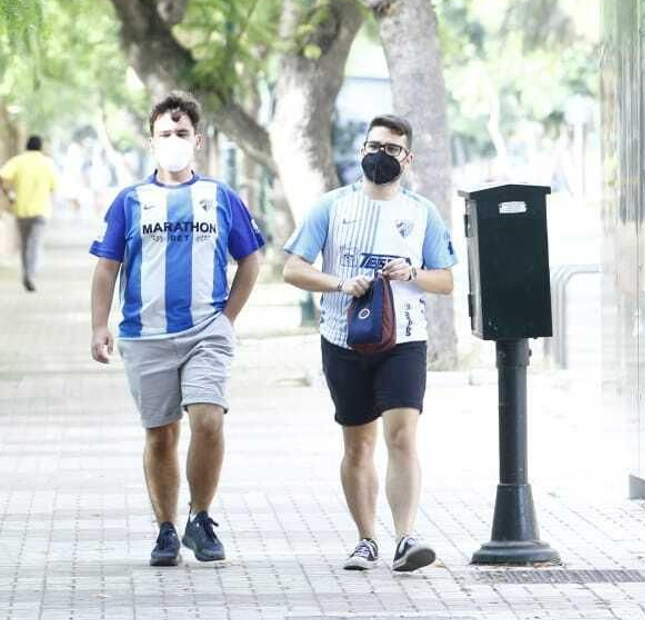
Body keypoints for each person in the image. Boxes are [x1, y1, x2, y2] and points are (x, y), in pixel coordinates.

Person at [88, 91, 264, 568]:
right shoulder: (130, 201)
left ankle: (200, 518)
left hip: (206, 331)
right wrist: (98, 326)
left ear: (198, 140)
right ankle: (166, 529)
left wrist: (227, 318)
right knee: (161, 434)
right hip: (145, 336)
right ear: (151, 142)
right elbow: (106, 268)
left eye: (181, 133)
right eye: (165, 134)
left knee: (208, 420)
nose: (173, 140)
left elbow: (251, 259)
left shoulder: (221, 197)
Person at [281, 114, 457, 572]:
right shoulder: (332, 207)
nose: (381, 154)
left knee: (402, 436)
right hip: (344, 338)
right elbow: (293, 268)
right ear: (362, 150)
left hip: (404, 338)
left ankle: (406, 538)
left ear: (408, 158)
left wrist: (413, 273)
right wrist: (340, 284)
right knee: (358, 444)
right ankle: (365, 538)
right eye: (374, 145)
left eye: (393, 149)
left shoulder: (422, 213)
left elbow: (446, 280)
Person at [0, 135, 59, 291]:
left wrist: (8, 194)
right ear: (40, 147)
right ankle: (30, 274)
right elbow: (54, 187)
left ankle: (27, 273)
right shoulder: (48, 163)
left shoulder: (18, 161)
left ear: (26, 146)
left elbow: (0, 175)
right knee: (35, 243)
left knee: (25, 244)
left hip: (21, 210)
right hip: (41, 211)